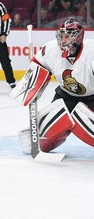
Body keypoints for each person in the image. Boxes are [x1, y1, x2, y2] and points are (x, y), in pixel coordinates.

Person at [15, 19, 94, 154]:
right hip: (65, 97)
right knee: (41, 142)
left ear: (78, 37)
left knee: (83, 118)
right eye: (62, 35)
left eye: (68, 36)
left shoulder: (91, 52)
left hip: (91, 99)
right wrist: (31, 83)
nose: (63, 40)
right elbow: (37, 68)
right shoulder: (51, 49)